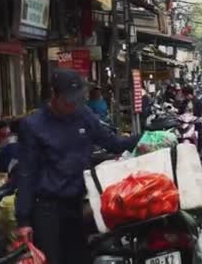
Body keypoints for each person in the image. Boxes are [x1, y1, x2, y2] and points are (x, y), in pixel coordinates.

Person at [15, 68, 140, 264]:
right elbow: (26, 174)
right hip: (46, 209)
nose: (73, 104)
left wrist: (144, 138)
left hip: (77, 204)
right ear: (54, 95)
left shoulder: (84, 115)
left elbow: (112, 143)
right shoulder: (33, 125)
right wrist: (23, 220)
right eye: (68, 100)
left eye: (77, 99)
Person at [179, 85, 202, 165]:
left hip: (196, 124)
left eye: (185, 95)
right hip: (186, 124)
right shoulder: (184, 102)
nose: (185, 97)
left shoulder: (197, 101)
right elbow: (180, 111)